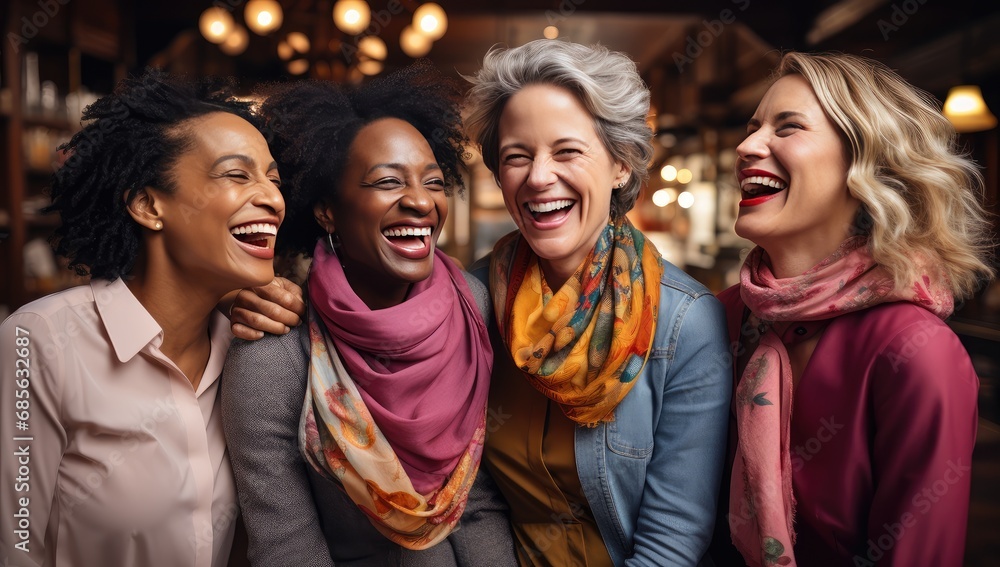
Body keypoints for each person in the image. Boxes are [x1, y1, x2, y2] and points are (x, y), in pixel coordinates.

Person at [220, 62, 516, 567]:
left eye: (434, 181)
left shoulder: (475, 307)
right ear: (326, 210)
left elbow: (478, 503)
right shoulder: (275, 353)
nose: (421, 201)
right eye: (387, 182)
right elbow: (285, 542)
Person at [711, 52, 994, 567]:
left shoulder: (917, 353)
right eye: (752, 128)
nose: (747, 146)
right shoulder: (720, 317)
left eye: (787, 127)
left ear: (865, 165)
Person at [0, 69, 286, 567]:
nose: (273, 199)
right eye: (237, 174)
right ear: (148, 204)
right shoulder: (38, 344)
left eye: (273, 178)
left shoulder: (254, 349)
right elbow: (15, 547)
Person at [463, 39, 732, 566]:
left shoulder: (684, 323)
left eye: (567, 151)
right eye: (518, 156)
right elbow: (469, 497)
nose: (539, 177)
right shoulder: (471, 302)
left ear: (622, 165)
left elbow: (674, 535)